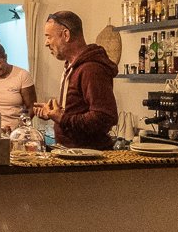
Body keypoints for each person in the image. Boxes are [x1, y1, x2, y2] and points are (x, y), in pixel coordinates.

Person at [34, 11, 118, 149]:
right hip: (71, 152)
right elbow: (77, 111)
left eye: (49, 37)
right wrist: (54, 113)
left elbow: (105, 116)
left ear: (66, 34)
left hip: (87, 156)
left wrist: (62, 118)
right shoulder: (71, 66)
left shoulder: (91, 69)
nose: (46, 43)